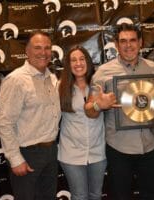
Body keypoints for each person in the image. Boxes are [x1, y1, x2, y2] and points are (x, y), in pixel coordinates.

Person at [85, 23, 154, 200]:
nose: (128, 45)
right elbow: (89, 111)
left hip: (150, 146)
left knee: (151, 195)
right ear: (116, 44)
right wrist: (98, 105)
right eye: (123, 41)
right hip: (119, 149)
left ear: (140, 42)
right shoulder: (103, 72)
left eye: (132, 40)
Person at [0, 31, 61, 200]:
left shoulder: (52, 78)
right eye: (37, 47)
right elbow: (4, 123)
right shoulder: (16, 80)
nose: (43, 52)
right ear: (27, 51)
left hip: (51, 152)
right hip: (27, 153)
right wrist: (15, 159)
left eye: (47, 48)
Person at [58, 46, 114, 200]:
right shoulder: (60, 87)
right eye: (73, 60)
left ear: (88, 62)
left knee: (96, 195)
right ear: (68, 65)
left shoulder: (99, 85)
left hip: (98, 153)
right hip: (71, 154)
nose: (78, 63)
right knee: (80, 196)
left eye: (82, 59)